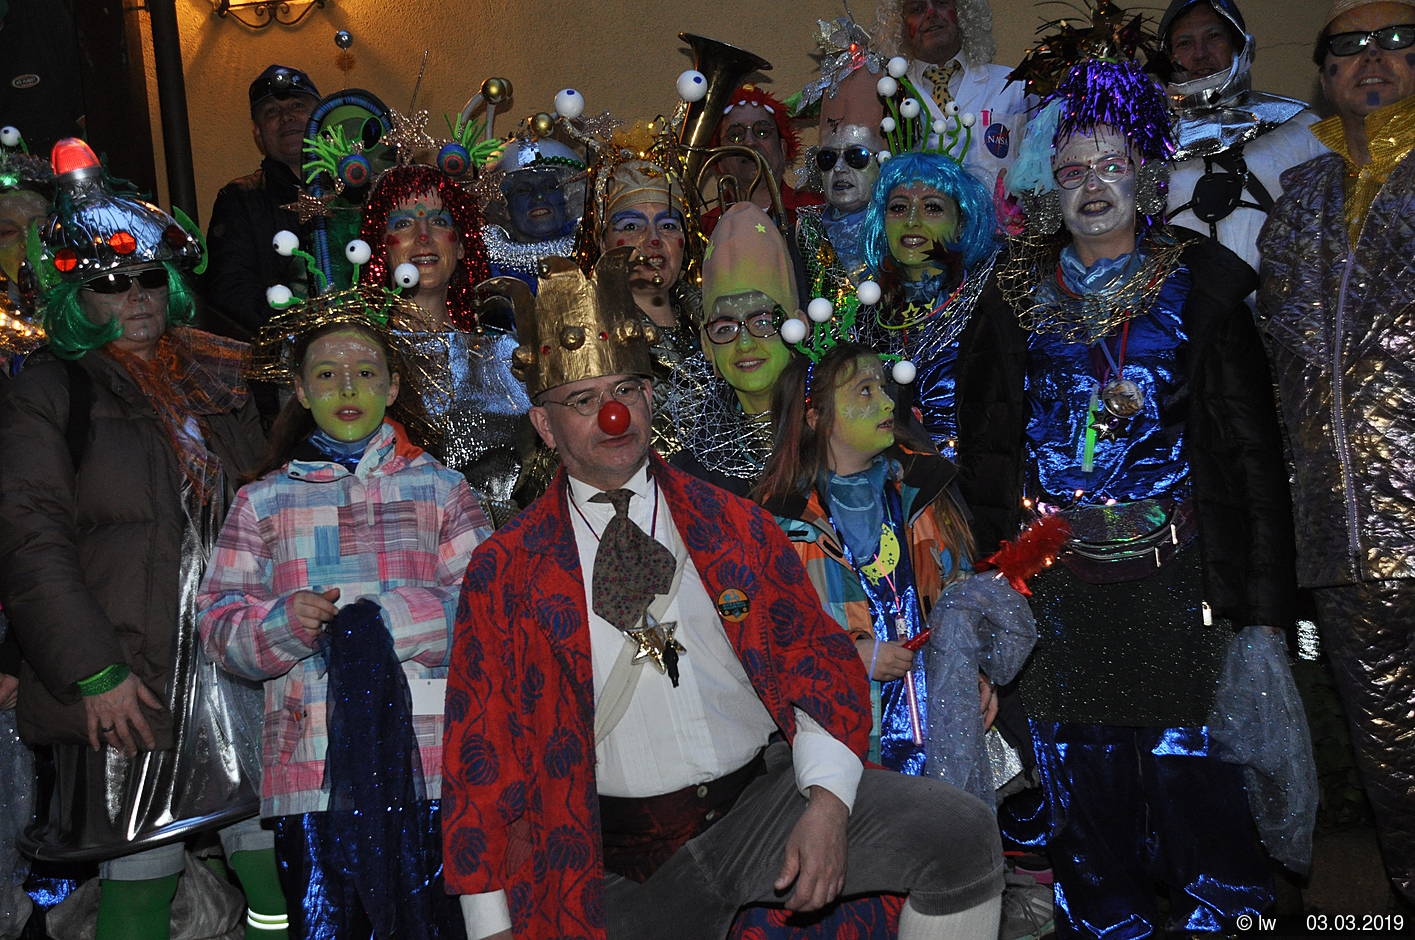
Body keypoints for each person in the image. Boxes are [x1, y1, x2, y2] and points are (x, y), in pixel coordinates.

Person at [441, 248, 1004, 940]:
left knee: (957, 834)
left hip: (754, 812)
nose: (613, 416)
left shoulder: (732, 523)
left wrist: (827, 805)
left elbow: (814, 663)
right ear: (544, 426)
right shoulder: (504, 570)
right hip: (606, 856)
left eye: (627, 391)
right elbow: (479, 744)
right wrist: (489, 923)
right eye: (584, 401)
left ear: (650, 398)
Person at [999, 48, 1304, 935]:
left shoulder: (1200, 284)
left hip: (1180, 572)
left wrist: (1263, 606)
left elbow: (1250, 454)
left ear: (1146, 174)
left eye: (1110, 165)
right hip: (1059, 578)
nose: (1092, 185)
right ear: (1049, 188)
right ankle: (1106, 922)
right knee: (1081, 774)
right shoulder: (1014, 295)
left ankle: (1224, 917)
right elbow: (984, 438)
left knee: (1193, 768)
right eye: (1072, 171)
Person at [0, 139, 280, 940]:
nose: (134, 296)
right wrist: (93, 671)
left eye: (148, 277)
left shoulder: (218, 373)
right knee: (140, 870)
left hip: (237, 660)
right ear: (75, 296)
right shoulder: (49, 390)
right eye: (109, 283)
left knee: (272, 864)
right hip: (131, 673)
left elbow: (269, 506)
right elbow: (29, 540)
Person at [197, 294, 492, 937]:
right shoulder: (263, 502)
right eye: (327, 373)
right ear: (302, 391)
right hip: (313, 772)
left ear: (392, 387)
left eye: (365, 371)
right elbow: (218, 623)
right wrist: (285, 624)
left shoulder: (441, 489)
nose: (348, 387)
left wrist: (389, 621)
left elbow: (487, 610)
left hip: (431, 763)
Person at [1256, 0, 1415, 907]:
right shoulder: (1300, 197)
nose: (1371, 58)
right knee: (1388, 749)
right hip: (1340, 535)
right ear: (1322, 75)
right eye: (1348, 47)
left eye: (1394, 40)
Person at [1161, 0, 1328, 277]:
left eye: (1213, 36)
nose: (1200, 54)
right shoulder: (1151, 146)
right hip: (1182, 302)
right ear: (1170, 55)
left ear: (1238, 44)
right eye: (1185, 43)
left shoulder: (1301, 127)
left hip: (1285, 299)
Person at [659, 202, 799, 496]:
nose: (745, 343)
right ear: (707, 345)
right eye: (725, 328)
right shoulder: (692, 476)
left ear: (799, 327)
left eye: (763, 322)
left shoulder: (841, 429)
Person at [203, 65, 321, 338]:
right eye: (272, 112)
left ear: (321, 117)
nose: (287, 117)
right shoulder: (239, 199)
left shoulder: (356, 187)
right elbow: (230, 291)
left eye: (298, 106)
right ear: (257, 133)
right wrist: (299, 334)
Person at [871, 0, 1027, 190]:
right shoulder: (888, 96)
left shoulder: (1014, 86)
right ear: (899, 25)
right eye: (917, 9)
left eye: (941, 2)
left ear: (962, 12)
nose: (931, 13)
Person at [704, 84, 824, 235]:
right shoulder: (704, 229)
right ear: (719, 160)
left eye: (762, 132)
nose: (750, 142)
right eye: (736, 135)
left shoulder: (822, 212)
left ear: (783, 149)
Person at [482, 136, 585, 289]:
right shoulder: (486, 273)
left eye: (549, 187)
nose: (539, 196)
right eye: (523, 190)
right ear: (504, 208)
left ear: (567, 198)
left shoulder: (589, 257)